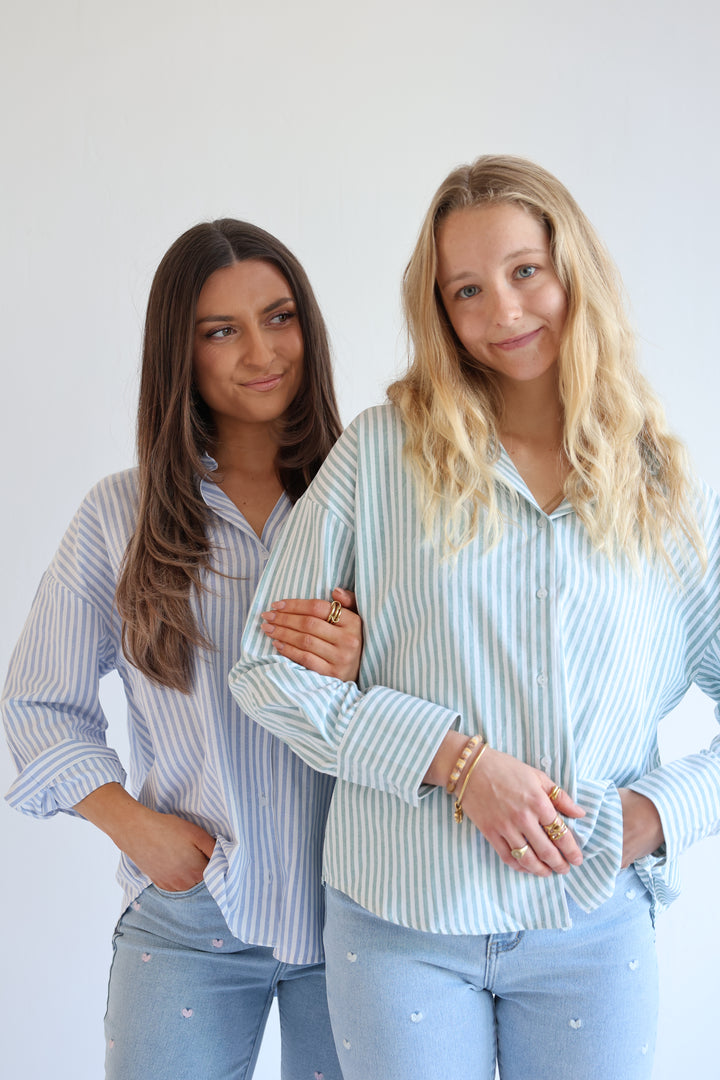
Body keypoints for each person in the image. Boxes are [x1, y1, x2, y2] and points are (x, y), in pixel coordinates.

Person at [229, 156, 720, 1080]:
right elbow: (266, 667)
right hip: (398, 922)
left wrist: (658, 812)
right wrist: (453, 762)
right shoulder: (379, 456)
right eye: (467, 290)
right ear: (440, 312)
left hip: (590, 922)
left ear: (574, 269)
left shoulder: (669, 489)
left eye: (525, 271)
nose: (503, 312)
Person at [2, 219, 363, 1080]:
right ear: (180, 352)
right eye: (220, 331)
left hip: (360, 916)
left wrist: (361, 667)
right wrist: (135, 828)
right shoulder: (118, 517)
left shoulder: (371, 499)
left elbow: (443, 700)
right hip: (191, 917)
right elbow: (35, 705)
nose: (260, 352)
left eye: (279, 318)